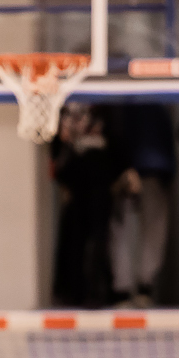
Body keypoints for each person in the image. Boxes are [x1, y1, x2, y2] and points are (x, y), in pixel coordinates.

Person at [49, 103, 123, 307]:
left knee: (99, 237)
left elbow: (117, 140)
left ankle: (97, 291)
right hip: (74, 177)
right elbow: (55, 145)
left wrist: (118, 174)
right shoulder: (64, 103)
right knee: (74, 235)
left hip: (99, 177)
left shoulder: (105, 107)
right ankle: (73, 292)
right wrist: (61, 180)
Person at [107, 103, 178, 307]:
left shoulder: (157, 104)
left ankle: (136, 288)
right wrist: (126, 167)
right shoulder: (130, 104)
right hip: (138, 168)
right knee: (128, 228)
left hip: (150, 168)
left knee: (140, 228)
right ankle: (129, 289)